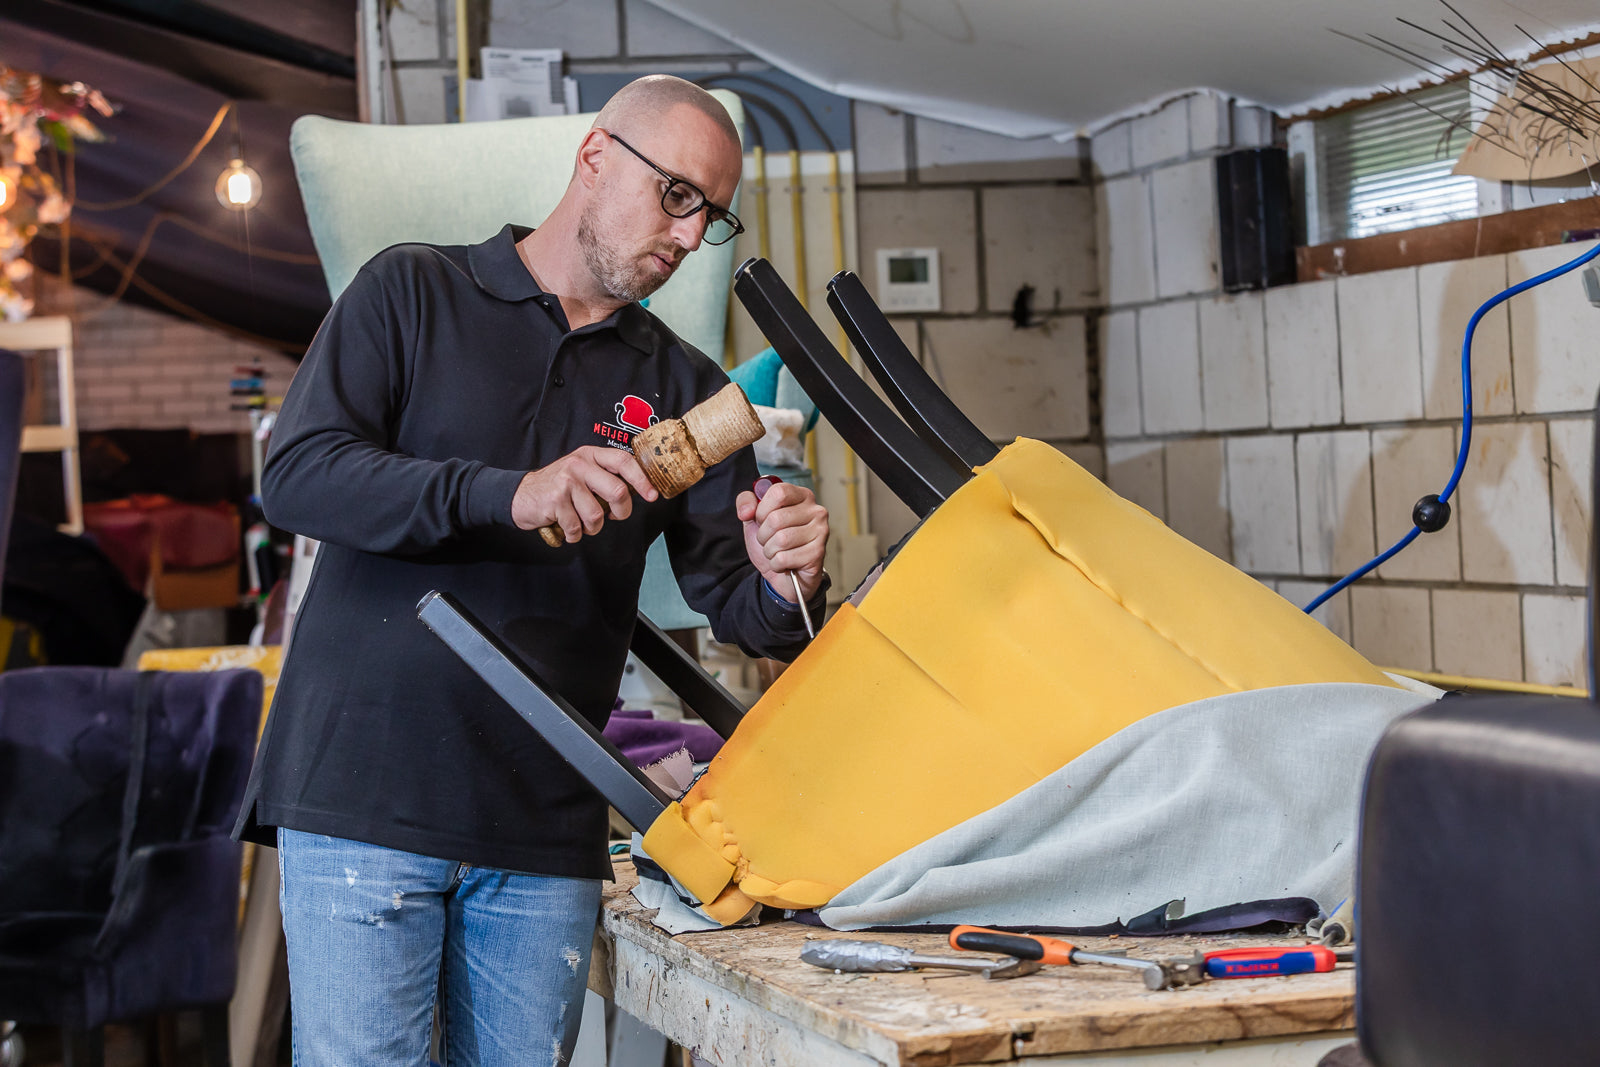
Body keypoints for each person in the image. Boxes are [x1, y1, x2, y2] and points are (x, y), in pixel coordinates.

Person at [234, 75, 829, 1066]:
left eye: (712, 217)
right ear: (595, 156)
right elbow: (297, 476)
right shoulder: (411, 292)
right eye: (677, 195)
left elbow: (740, 603)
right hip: (365, 796)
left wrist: (784, 577)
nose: (690, 237)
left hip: (542, 826)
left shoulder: (682, 390)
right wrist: (506, 495)